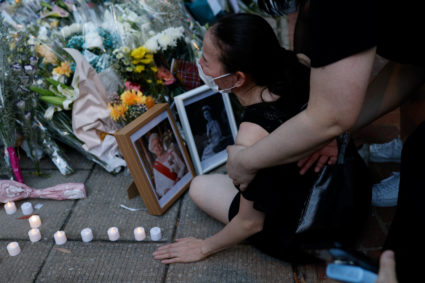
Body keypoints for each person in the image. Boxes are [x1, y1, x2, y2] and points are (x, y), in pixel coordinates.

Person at [225, 1, 425, 281]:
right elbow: (411, 67)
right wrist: (336, 125)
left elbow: (329, 115)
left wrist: (245, 161)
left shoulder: (334, 8)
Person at [153, 13, 370, 264]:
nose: (199, 64)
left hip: (313, 235)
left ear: (238, 78)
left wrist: (204, 247)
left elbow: (250, 224)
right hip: (353, 199)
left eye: (206, 60)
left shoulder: (252, 135)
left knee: (199, 187)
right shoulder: (299, 64)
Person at [148, 133, 186, 198]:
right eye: (154, 146)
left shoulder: (171, 153)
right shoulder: (155, 167)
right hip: (171, 195)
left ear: (161, 143)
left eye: (158, 143)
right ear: (152, 150)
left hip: (182, 185)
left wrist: (178, 178)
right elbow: (158, 188)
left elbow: (183, 166)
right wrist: (164, 191)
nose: (157, 147)